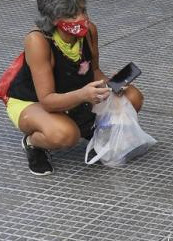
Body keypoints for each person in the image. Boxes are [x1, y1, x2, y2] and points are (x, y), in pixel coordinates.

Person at [4, 0, 143, 175]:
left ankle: (95, 133)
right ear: (54, 19)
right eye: (72, 15)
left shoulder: (89, 30)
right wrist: (83, 96)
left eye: (83, 11)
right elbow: (47, 100)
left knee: (131, 97)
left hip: (75, 92)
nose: (83, 18)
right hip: (33, 100)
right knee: (65, 134)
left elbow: (94, 71)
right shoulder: (38, 41)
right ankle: (33, 142)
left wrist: (111, 83)